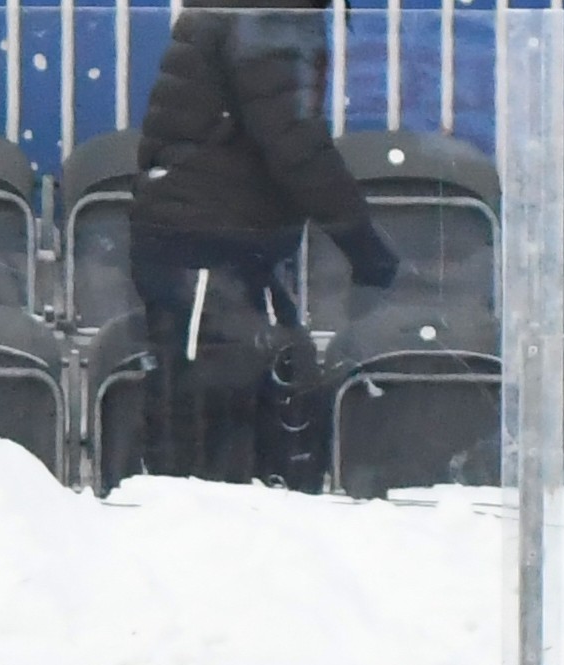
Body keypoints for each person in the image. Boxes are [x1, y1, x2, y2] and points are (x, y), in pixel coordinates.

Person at [122, 1, 400, 488]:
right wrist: (364, 245)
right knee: (203, 427)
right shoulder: (269, 14)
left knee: (245, 405)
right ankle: (193, 538)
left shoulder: (256, 12)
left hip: (220, 241)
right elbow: (293, 142)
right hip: (205, 243)